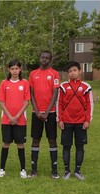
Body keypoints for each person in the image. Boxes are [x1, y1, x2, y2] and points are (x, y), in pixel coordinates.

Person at [57, 61, 93, 180]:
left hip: (81, 122)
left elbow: (89, 104)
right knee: (66, 147)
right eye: (70, 71)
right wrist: (60, 119)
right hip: (66, 122)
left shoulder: (86, 87)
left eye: (75, 70)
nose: (72, 73)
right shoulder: (63, 86)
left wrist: (88, 120)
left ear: (80, 71)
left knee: (80, 147)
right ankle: (67, 171)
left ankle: (77, 170)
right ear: (68, 73)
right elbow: (59, 103)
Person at [0, 60, 30, 178]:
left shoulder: (25, 83)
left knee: (20, 144)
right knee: (6, 143)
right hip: (7, 119)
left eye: (16, 68)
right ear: (9, 70)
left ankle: (23, 170)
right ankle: (2, 169)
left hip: (20, 119)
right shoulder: (4, 83)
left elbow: (26, 102)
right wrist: (10, 117)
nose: (14, 71)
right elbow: (1, 101)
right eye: (12, 68)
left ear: (20, 69)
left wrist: (16, 116)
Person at [28, 50, 60, 179]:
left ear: (50, 60)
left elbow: (55, 93)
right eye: (42, 57)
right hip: (36, 113)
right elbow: (31, 94)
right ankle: (34, 170)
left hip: (50, 113)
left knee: (52, 140)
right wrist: (36, 110)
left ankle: (54, 171)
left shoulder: (55, 74)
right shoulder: (33, 74)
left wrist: (46, 112)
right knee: (36, 139)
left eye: (47, 58)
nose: (44, 59)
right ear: (39, 58)